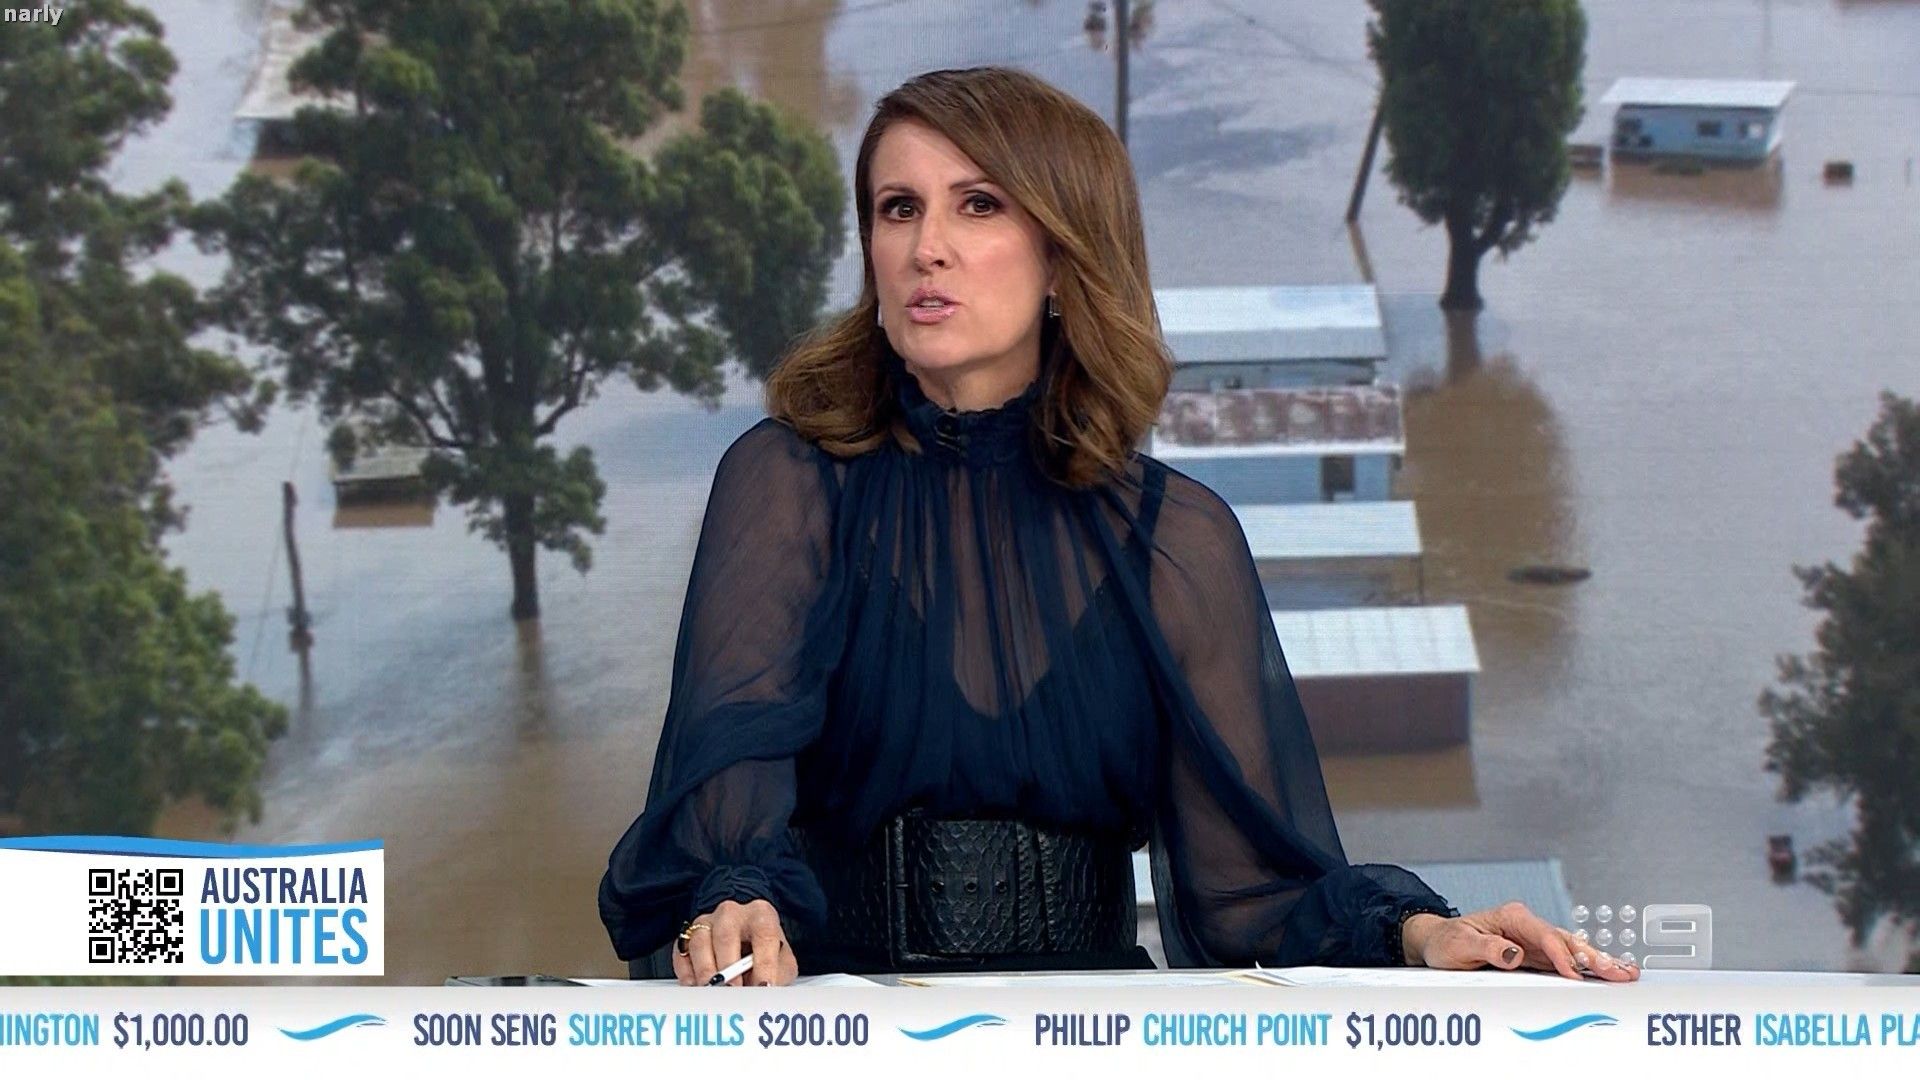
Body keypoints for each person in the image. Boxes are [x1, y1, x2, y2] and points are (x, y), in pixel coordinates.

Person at [598, 66, 1639, 988]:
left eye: (978, 205)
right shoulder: (786, 484)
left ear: (1062, 256)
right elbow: (722, 814)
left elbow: (1251, 898)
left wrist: (1420, 931)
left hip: (1094, 1030)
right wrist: (733, 906)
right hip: (848, 1030)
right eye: (897, 208)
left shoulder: (1178, 538)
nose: (926, 248)